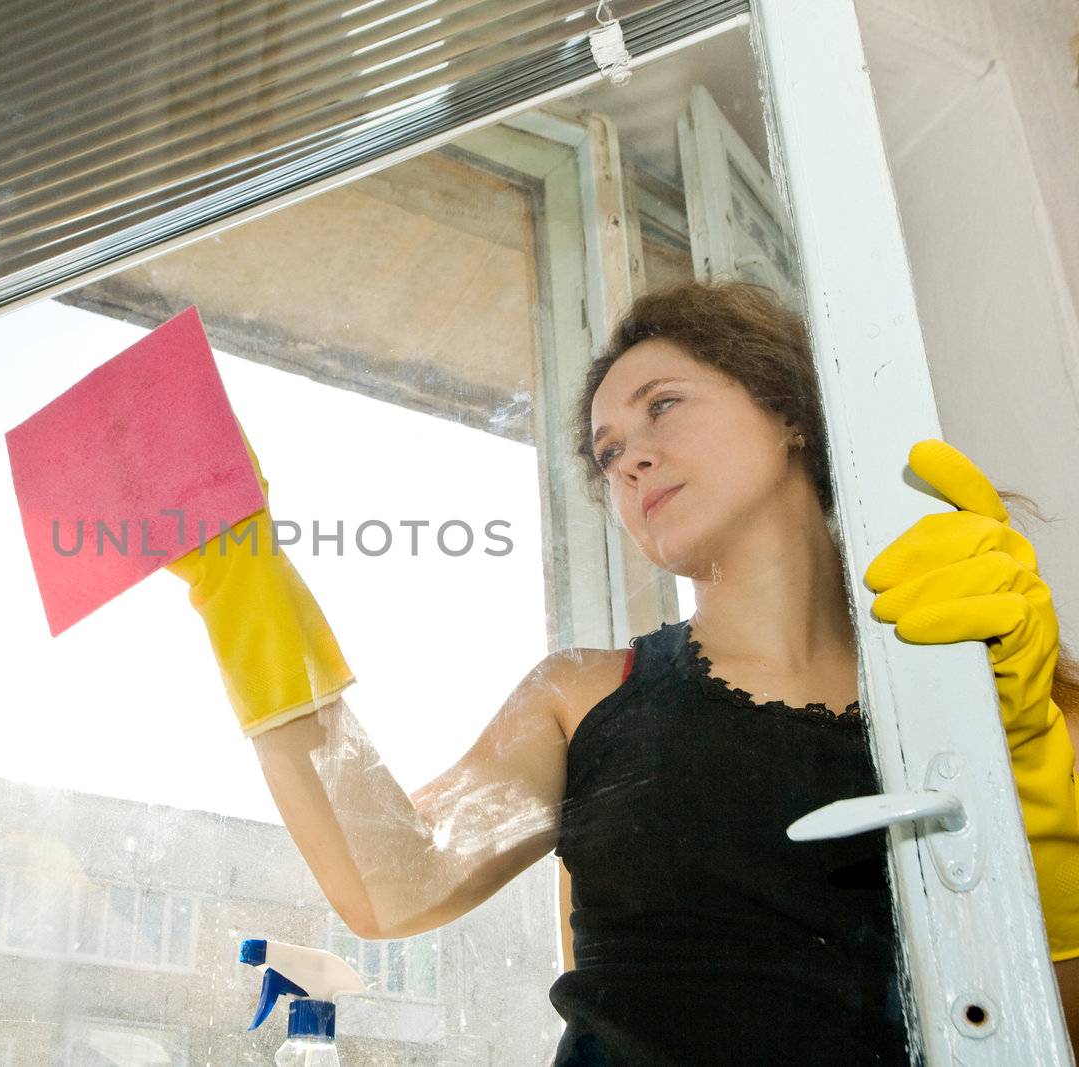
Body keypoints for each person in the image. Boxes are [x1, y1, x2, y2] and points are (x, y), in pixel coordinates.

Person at [164, 280, 1079, 1064]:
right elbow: (392, 877)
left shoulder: (994, 688)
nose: (631, 457)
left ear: (790, 410)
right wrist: (240, 576)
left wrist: (1031, 766)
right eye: (606, 453)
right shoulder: (584, 696)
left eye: (663, 405)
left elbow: (1053, 1031)